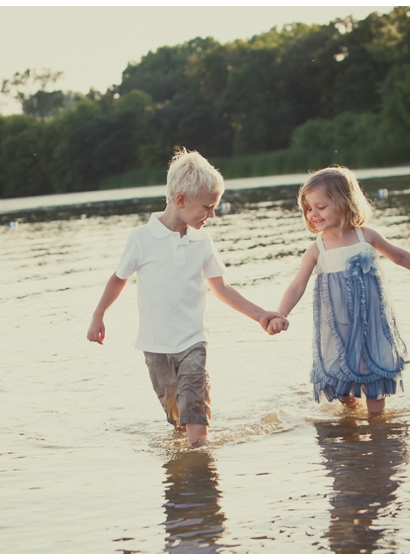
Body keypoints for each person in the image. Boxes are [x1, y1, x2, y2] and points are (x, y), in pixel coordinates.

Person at [87, 149, 287, 446]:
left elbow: (222, 288)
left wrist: (261, 315)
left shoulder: (202, 241)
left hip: (193, 340)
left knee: (194, 405)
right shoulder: (141, 239)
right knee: (176, 415)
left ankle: (201, 452)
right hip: (156, 346)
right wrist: (98, 314)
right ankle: (188, 464)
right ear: (180, 200)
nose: (212, 215)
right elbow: (118, 279)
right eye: (207, 207)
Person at [268, 166, 410, 415]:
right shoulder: (317, 249)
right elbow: (297, 285)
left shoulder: (366, 237)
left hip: (371, 324)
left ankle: (378, 427)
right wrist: (281, 313)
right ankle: (351, 418)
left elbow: (400, 256)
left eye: (321, 207)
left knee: (374, 372)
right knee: (342, 377)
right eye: (309, 208)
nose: (313, 214)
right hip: (338, 328)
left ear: (344, 202)